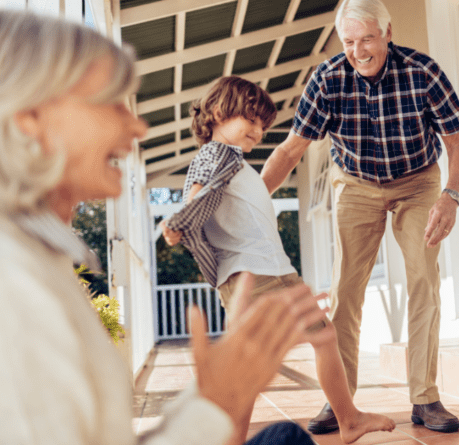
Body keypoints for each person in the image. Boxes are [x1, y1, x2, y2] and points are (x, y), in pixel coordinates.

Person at [0, 10, 332, 445]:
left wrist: (214, 398)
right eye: (110, 103)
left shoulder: (43, 258)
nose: (136, 125)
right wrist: (215, 401)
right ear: (30, 119)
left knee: (286, 435)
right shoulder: (18, 293)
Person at [259, 0, 459, 434]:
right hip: (355, 182)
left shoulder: (422, 72)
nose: (359, 51)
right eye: (350, 41)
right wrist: (254, 201)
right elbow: (290, 150)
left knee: (424, 280)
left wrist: (450, 196)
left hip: (417, 180)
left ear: (388, 33)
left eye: (367, 39)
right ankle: (341, 402)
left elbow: (457, 144)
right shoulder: (327, 78)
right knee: (346, 290)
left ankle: (425, 397)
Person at [160, 75, 395, 444]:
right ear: (219, 113)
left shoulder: (237, 161)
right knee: (252, 365)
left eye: (262, 125)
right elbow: (198, 194)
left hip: (275, 268)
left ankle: (348, 419)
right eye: (250, 120)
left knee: (324, 335)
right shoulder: (214, 154)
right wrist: (179, 223)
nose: (257, 130)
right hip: (249, 274)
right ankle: (233, 439)